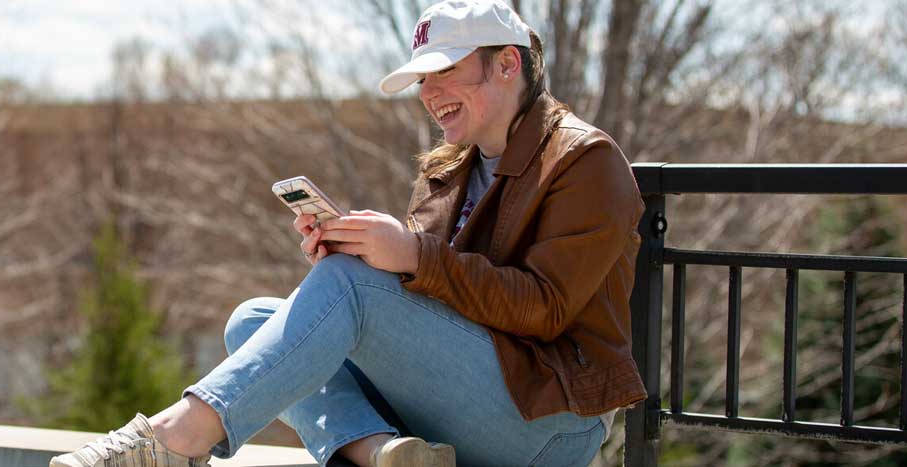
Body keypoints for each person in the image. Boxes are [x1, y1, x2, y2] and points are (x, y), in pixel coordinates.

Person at [51, 0, 645, 465]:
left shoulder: (583, 160)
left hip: (551, 423)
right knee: (252, 319)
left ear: (508, 63)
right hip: (471, 400)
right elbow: (431, 298)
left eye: (445, 71)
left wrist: (408, 257)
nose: (429, 94)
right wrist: (362, 256)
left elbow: (544, 308)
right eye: (421, 81)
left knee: (349, 288)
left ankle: (177, 439)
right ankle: (383, 454)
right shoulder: (447, 167)